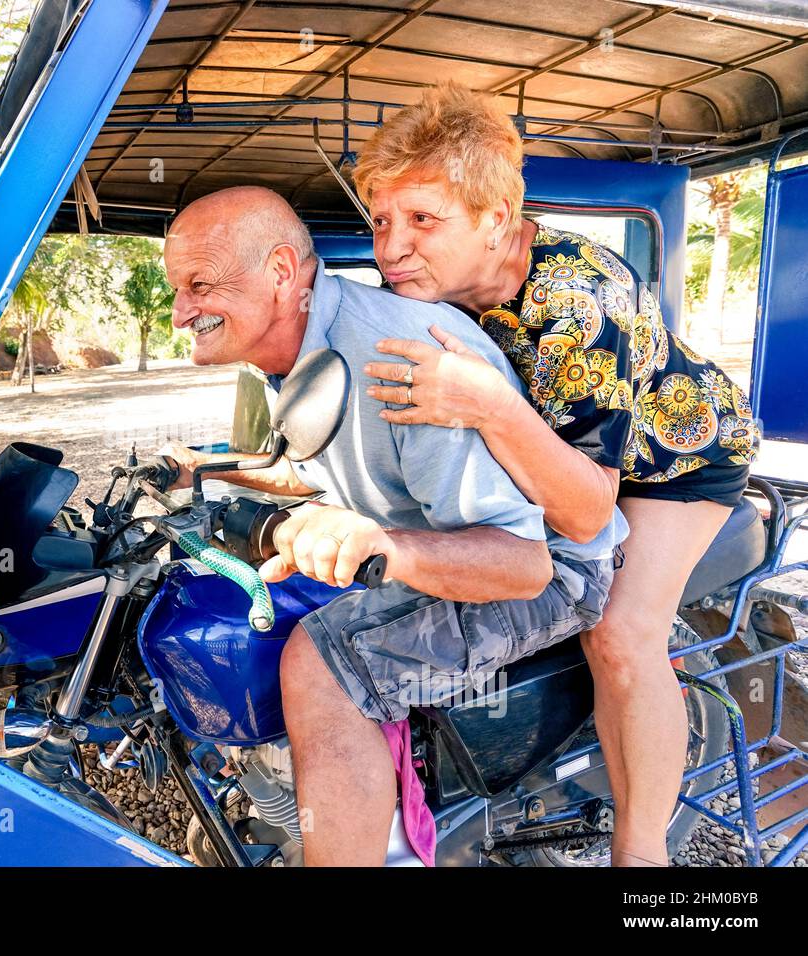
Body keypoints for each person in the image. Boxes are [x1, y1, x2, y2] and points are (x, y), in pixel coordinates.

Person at [351, 83, 761, 866]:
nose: (391, 247)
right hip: (568, 455)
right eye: (382, 220)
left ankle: (642, 860)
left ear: (496, 219)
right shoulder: (430, 292)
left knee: (619, 633)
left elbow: (584, 511)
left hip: (674, 463)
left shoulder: (577, 296)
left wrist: (488, 406)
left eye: (422, 220)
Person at [160, 185, 626, 865]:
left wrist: (384, 544)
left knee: (320, 663)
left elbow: (526, 565)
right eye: (178, 289)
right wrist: (205, 469)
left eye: (200, 284)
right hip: (455, 548)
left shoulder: (397, 360)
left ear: (283, 273)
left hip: (556, 568)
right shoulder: (298, 351)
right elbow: (324, 467)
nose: (180, 312)